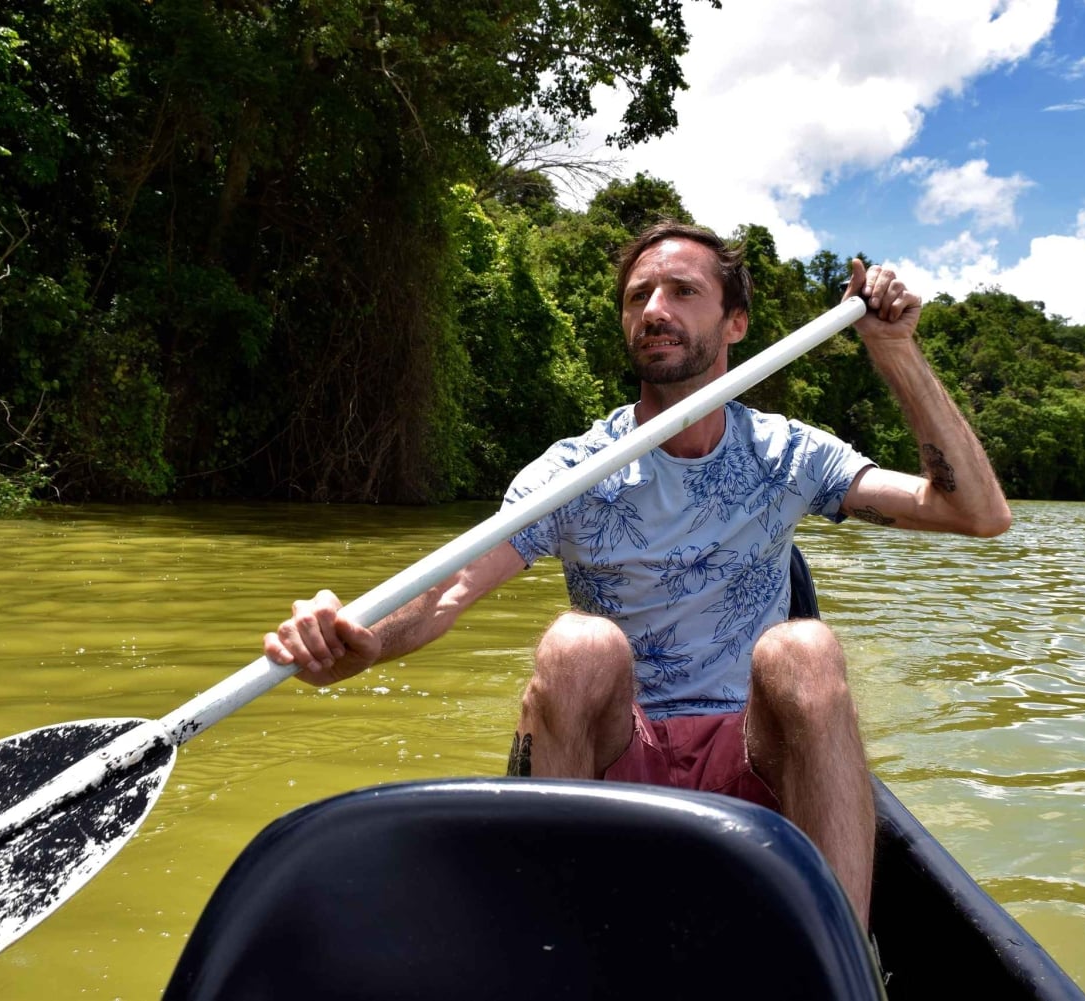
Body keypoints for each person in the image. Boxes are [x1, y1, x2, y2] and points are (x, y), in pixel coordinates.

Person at [264, 221, 1011, 925]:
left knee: (805, 650)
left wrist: (895, 352)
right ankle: (561, 942)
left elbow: (975, 512)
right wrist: (356, 640)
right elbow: (448, 589)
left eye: (683, 291)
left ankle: (835, 954)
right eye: (638, 296)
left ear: (736, 324)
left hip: (752, 754)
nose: (655, 309)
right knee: (577, 644)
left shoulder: (787, 454)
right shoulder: (574, 469)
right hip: (618, 751)